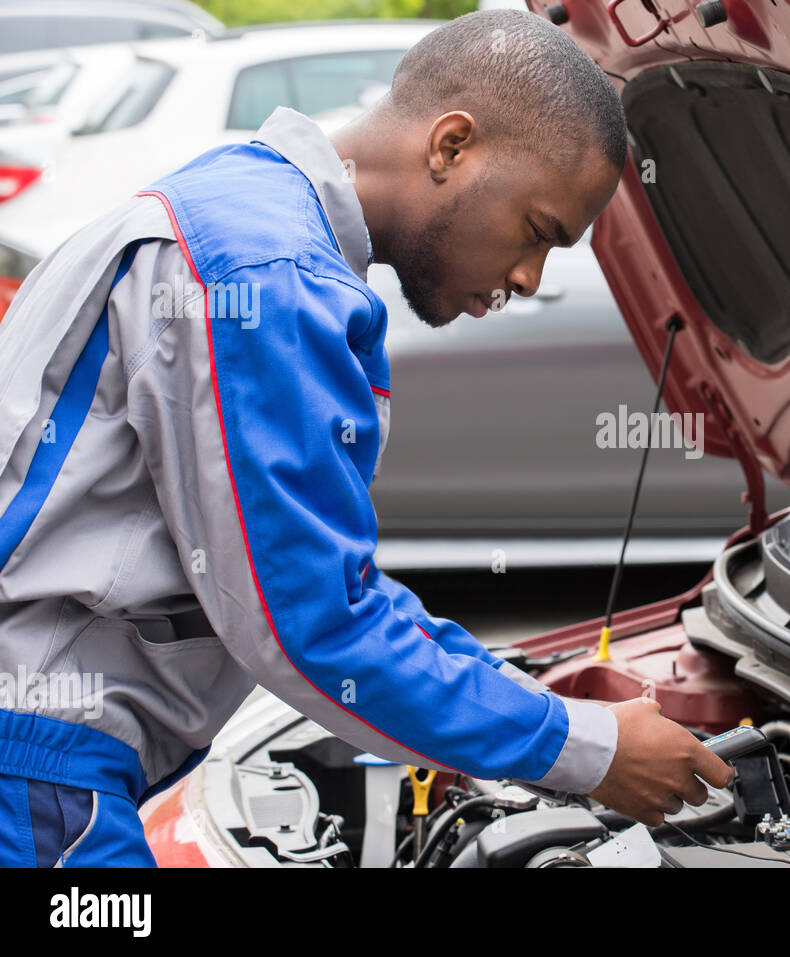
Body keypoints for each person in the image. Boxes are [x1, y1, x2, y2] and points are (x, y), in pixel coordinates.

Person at [0, 9, 731, 867]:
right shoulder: (269, 275)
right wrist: (585, 750)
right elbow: (313, 621)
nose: (531, 279)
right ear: (451, 145)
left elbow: (326, 584)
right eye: (538, 230)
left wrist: (521, 698)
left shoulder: (231, 205)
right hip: (40, 780)